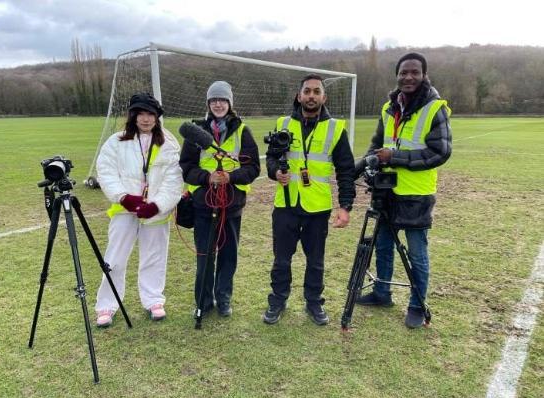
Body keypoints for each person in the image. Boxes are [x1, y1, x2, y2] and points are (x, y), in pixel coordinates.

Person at [355, 52, 452, 328]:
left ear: (423, 75)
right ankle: (382, 293)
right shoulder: (388, 108)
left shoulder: (435, 108)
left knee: (416, 253)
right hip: (386, 190)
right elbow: (376, 145)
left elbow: (440, 152)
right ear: (396, 75)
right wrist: (357, 168)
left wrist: (394, 158)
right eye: (403, 72)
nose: (408, 77)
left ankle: (417, 306)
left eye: (414, 72)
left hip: (416, 194)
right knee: (382, 245)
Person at [263, 74, 356, 326]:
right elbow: (270, 159)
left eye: (316, 92)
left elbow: (346, 170)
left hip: (318, 207)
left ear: (324, 97)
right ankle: (278, 300)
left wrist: (345, 206)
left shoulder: (336, 128)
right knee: (281, 259)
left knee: (316, 261)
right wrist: (276, 172)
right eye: (307, 91)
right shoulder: (283, 123)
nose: (311, 96)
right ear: (299, 95)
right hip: (286, 204)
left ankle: (314, 302)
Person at [94, 92, 183, 327]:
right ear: (133, 116)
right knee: (115, 257)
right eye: (141, 114)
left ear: (157, 117)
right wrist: (124, 198)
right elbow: (106, 171)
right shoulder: (116, 141)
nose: (145, 119)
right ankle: (107, 305)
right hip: (125, 210)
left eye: (150, 114)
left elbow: (174, 180)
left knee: (154, 256)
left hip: (156, 212)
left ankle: (153, 300)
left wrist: (157, 204)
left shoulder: (169, 143)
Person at [180, 81, 260, 318]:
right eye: (214, 100)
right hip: (203, 205)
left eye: (222, 100)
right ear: (208, 103)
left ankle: (223, 298)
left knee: (228, 256)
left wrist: (230, 177)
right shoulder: (196, 131)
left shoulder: (242, 131)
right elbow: (186, 168)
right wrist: (208, 178)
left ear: (229, 104)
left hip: (232, 205)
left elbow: (253, 167)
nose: (218, 104)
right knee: (205, 256)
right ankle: (203, 302)